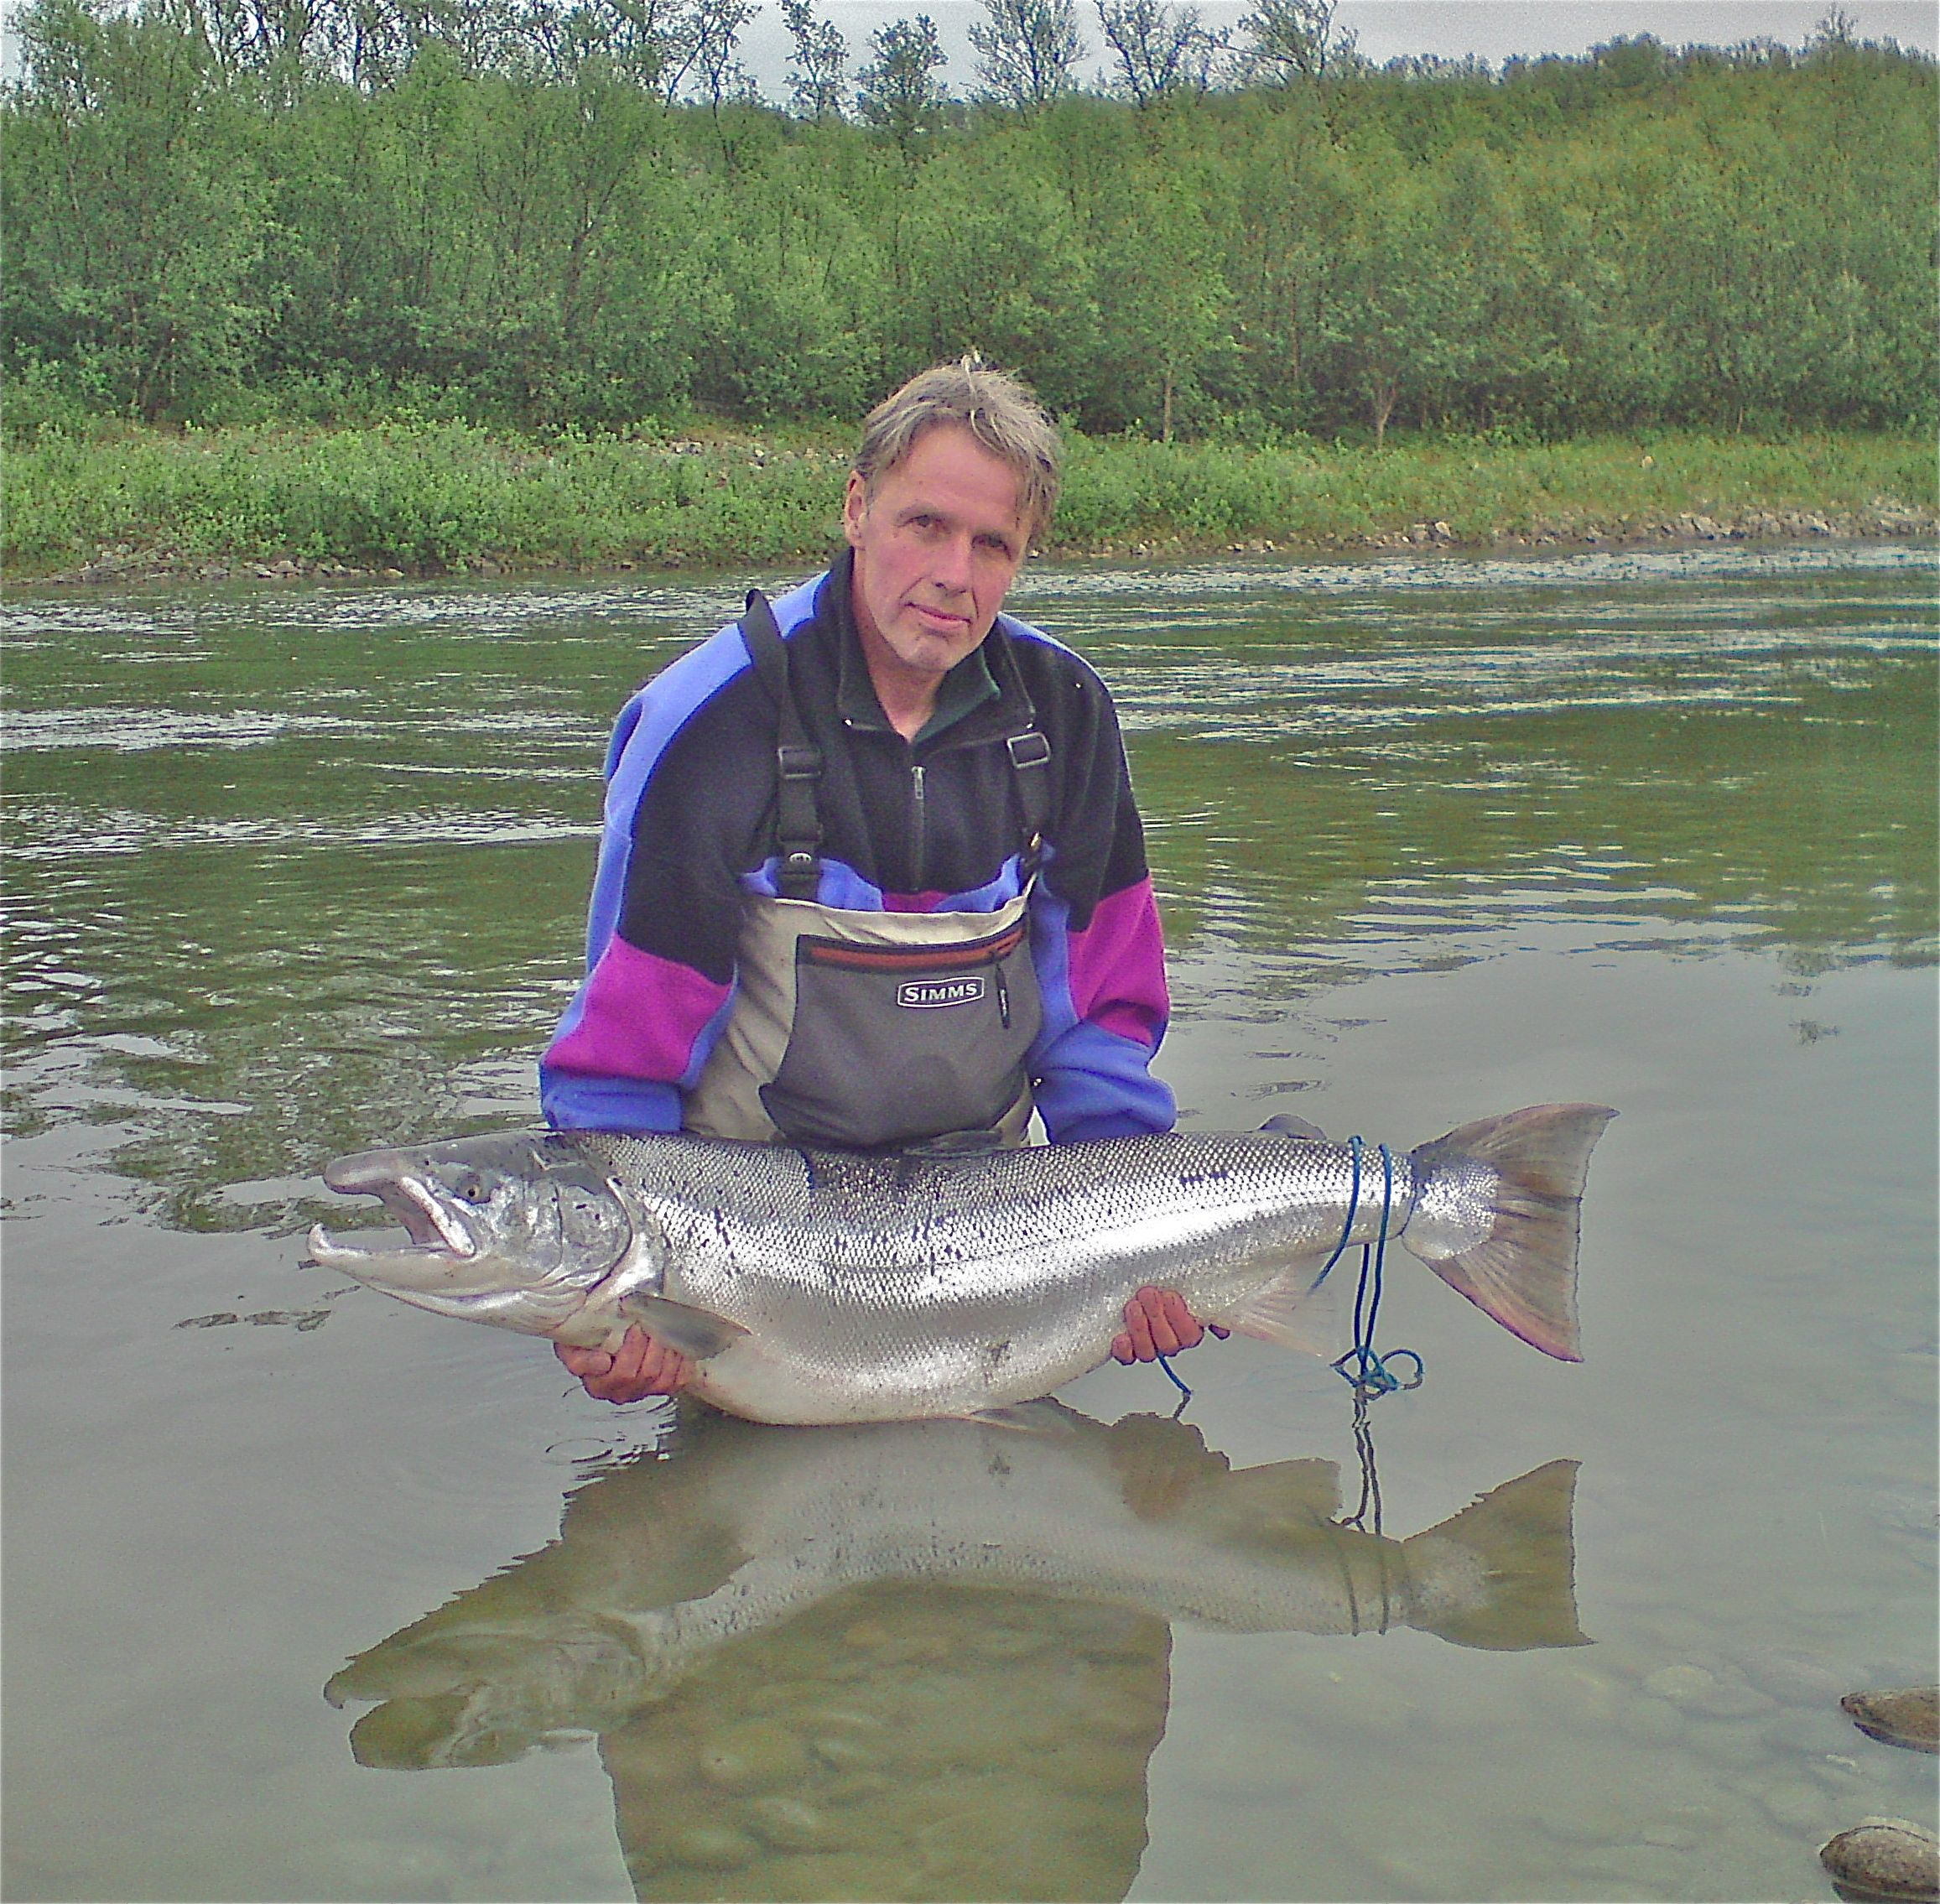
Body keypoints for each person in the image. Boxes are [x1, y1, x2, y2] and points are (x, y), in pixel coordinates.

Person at [540, 356, 1225, 1403]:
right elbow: (617, 1073)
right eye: (925, 525)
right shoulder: (707, 723)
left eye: (992, 544)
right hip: (754, 1281)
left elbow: (1102, 1023)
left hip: (997, 1264)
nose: (955, 573)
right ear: (857, 507)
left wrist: (1141, 1250)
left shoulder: (1065, 714)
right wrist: (622, 1302)